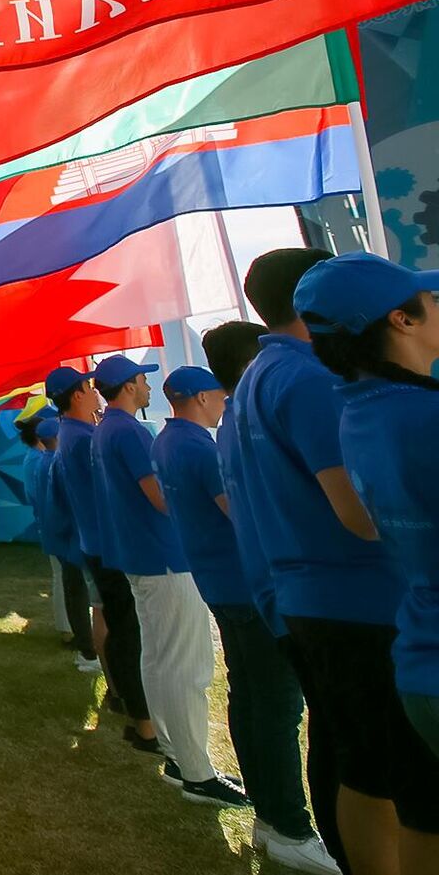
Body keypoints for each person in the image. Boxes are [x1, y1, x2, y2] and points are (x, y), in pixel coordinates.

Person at [237, 249, 411, 875]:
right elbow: (359, 509)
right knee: (381, 766)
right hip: (357, 598)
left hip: (309, 597)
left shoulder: (261, 376)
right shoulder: (308, 379)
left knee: (350, 749)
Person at [152, 364, 337, 870]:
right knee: (277, 708)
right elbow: (239, 511)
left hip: (221, 584)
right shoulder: (195, 446)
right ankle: (289, 825)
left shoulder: (169, 442)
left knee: (252, 697)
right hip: (245, 586)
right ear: (197, 397)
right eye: (216, 394)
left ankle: (270, 813)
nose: (222, 402)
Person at [295, 253, 439, 861]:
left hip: (420, 656)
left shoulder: (363, 409)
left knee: (427, 819)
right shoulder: (422, 416)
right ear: (401, 321)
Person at [207, 319, 350, 874]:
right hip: (281, 589)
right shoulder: (265, 406)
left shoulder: (232, 422)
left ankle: (277, 816)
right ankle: (289, 823)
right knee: (291, 714)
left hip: (262, 585)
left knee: (263, 704)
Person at [93, 354, 245, 807]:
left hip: (143, 556)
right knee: (187, 664)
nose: (146, 387)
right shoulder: (130, 431)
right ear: (128, 385)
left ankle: (177, 753)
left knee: (160, 657)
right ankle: (195, 770)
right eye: (141, 380)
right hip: (163, 558)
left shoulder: (110, 430)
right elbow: (158, 498)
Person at [49, 365, 157, 750]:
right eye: (88, 387)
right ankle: (141, 717)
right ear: (77, 394)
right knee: (128, 630)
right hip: (107, 544)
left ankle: (124, 699)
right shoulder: (80, 438)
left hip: (98, 542)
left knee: (118, 624)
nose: (96, 393)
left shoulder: (77, 435)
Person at [28, 414, 100, 673]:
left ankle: (81, 643)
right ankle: (86, 648)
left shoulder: (41, 462)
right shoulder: (56, 463)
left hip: (58, 537)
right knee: (77, 592)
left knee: (72, 590)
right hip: (68, 538)